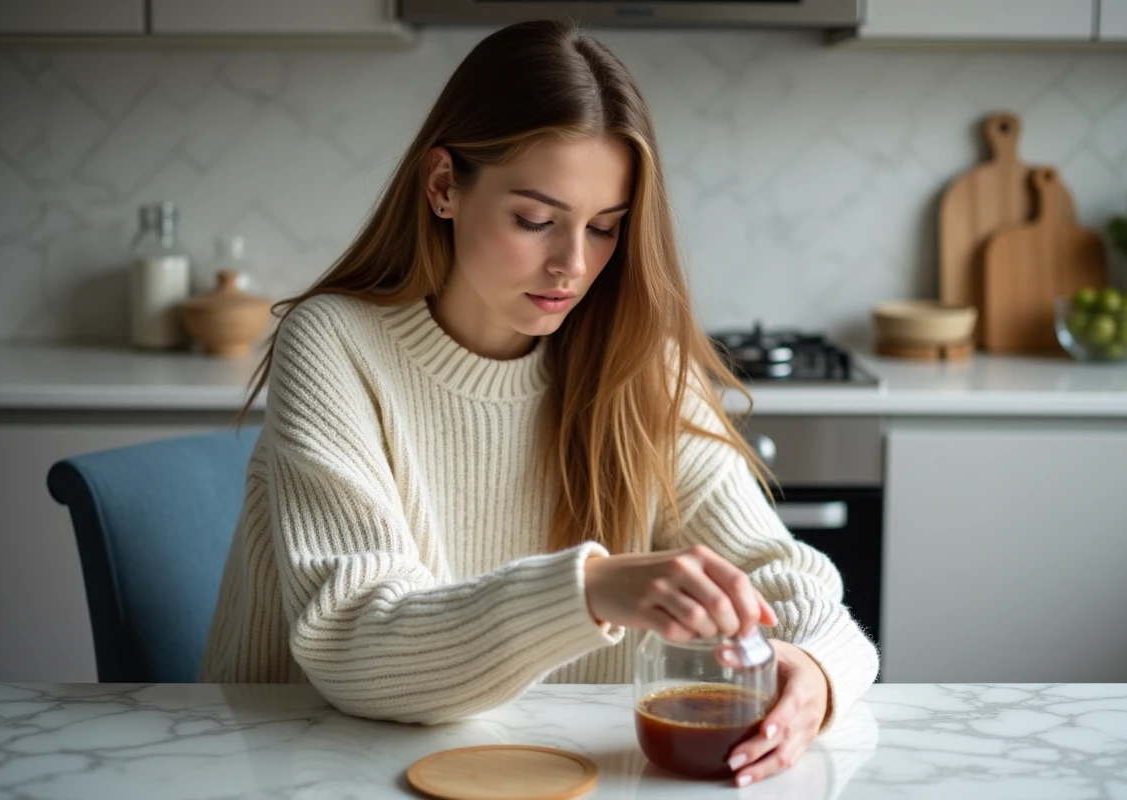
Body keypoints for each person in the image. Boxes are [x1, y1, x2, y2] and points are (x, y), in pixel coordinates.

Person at [199, 18, 878, 787]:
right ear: (444, 186)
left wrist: (814, 672)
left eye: (605, 229)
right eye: (535, 221)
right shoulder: (334, 345)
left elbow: (791, 580)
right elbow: (357, 644)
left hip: (567, 775)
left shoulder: (637, 360)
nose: (574, 265)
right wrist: (591, 591)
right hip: (303, 770)